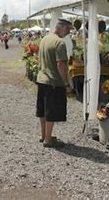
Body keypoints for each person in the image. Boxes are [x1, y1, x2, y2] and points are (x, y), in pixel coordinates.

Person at [36, 19, 73, 148]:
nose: (68, 33)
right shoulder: (59, 43)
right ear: (62, 28)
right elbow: (61, 64)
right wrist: (66, 84)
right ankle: (48, 140)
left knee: (42, 110)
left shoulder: (44, 39)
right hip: (53, 81)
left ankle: (44, 135)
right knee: (51, 111)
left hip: (41, 79)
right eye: (68, 30)